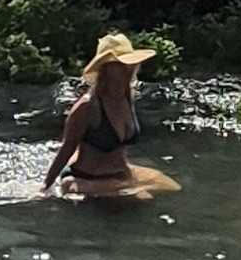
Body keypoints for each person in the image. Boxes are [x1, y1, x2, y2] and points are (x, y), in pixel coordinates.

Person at [41, 30, 177, 202]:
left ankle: (128, 186)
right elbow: (66, 148)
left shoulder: (127, 96)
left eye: (129, 65)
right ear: (106, 70)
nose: (127, 69)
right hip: (87, 178)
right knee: (143, 198)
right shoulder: (88, 106)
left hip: (121, 175)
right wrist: (45, 187)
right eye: (120, 65)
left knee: (172, 187)